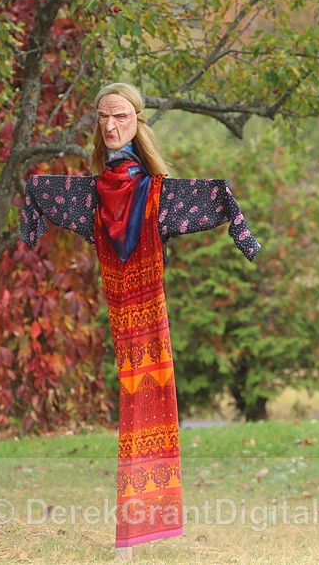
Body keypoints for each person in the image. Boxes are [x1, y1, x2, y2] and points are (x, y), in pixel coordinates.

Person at [20, 82, 259, 556]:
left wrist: (244, 236)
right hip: (120, 308)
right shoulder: (90, 196)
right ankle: (135, 532)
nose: (111, 126)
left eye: (121, 117)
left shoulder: (159, 196)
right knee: (136, 400)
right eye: (104, 117)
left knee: (147, 400)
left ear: (137, 122)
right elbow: (39, 190)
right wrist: (30, 227)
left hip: (147, 312)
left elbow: (218, 195)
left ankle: (133, 535)